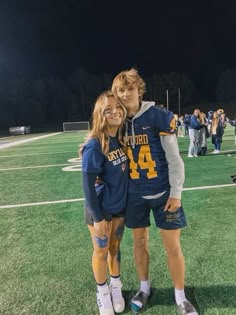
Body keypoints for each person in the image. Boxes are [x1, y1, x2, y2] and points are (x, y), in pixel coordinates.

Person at [112, 68, 198, 315]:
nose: (126, 93)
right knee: (139, 242)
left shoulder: (157, 116)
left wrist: (176, 193)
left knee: (172, 246)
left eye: (130, 88)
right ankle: (144, 288)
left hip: (163, 193)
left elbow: (174, 159)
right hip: (135, 195)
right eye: (121, 90)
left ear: (139, 90)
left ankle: (180, 296)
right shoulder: (117, 122)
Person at [81, 90, 128, 315]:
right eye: (108, 109)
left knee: (115, 248)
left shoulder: (119, 138)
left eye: (117, 107)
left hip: (119, 206)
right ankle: (102, 293)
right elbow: (88, 187)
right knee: (100, 251)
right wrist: (98, 217)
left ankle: (116, 287)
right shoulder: (95, 144)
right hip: (100, 210)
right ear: (100, 114)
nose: (115, 112)